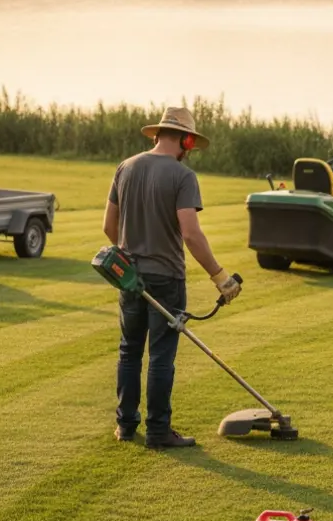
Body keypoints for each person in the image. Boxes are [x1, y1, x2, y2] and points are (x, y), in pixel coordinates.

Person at [103, 107, 242, 447]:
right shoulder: (183, 176)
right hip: (166, 278)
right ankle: (158, 431)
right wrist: (220, 277)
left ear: (156, 134)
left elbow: (109, 226)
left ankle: (125, 426)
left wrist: (131, 255)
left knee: (129, 351)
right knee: (161, 356)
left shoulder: (126, 167)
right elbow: (191, 234)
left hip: (130, 278)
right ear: (186, 140)